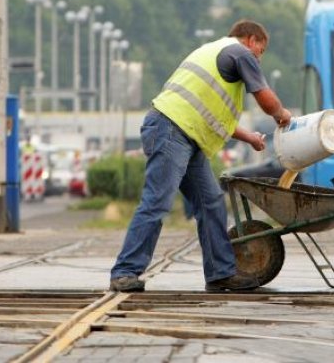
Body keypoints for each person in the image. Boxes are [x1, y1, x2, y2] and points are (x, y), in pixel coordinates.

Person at [109, 20, 292, 293]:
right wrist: (283, 116)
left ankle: (221, 273)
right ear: (251, 39)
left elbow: (215, 117)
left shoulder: (216, 52)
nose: (259, 57)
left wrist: (251, 137)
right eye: (261, 49)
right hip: (171, 129)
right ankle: (125, 271)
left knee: (212, 203)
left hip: (183, 134)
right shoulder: (240, 52)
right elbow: (266, 101)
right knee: (157, 201)